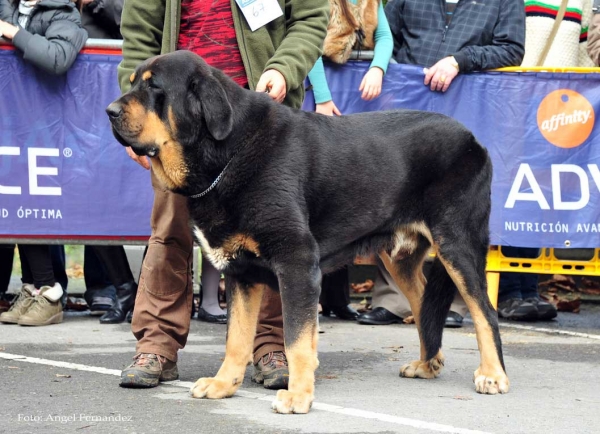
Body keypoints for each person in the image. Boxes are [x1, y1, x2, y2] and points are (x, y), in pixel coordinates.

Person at [116, 0, 328, 389]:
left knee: (277, 241)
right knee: (169, 231)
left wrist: (284, 67)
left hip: (261, 119)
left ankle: (272, 345)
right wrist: (137, 114)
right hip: (174, 119)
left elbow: (312, 17)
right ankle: (157, 343)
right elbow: (138, 35)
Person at [357, 0, 526, 328]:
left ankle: (458, 303)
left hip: (471, 111)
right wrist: (392, 71)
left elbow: (511, 49)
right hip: (408, 114)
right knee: (392, 201)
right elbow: (384, 34)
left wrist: (459, 62)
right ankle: (392, 299)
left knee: (460, 214)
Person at [497, 0, 594, 322]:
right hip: (516, 102)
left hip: (560, 111)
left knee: (539, 197)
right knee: (515, 195)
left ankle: (528, 288)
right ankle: (509, 291)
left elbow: (583, 56)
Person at [0, 0, 87, 326]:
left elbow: (57, 58)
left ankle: (49, 292)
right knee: (12, 206)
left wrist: (11, 33)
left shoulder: (64, 13)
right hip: (7, 124)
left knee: (31, 205)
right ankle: (33, 286)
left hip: (42, 128)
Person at [308, 0, 392, 320]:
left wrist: (377, 67)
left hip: (352, 103)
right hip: (319, 102)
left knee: (343, 201)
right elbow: (309, 43)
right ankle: (308, 294)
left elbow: (384, 36)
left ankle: (336, 298)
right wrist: (323, 97)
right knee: (315, 203)